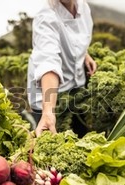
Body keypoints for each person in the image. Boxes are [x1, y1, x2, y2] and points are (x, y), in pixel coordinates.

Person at [27, 0, 97, 137]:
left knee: (80, 135)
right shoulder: (46, 16)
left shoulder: (83, 7)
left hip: (76, 88)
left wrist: (84, 55)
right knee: (49, 146)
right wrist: (48, 112)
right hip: (48, 95)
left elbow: (76, 38)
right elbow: (48, 61)